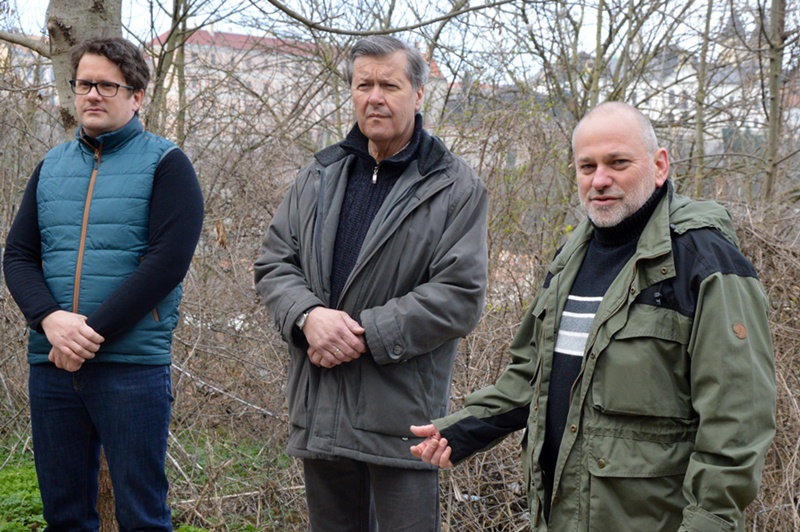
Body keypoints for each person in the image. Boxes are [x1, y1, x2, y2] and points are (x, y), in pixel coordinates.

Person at [411, 102, 776, 531]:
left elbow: (737, 422)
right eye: (587, 166)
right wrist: (461, 430)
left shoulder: (704, 262)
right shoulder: (570, 260)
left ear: (659, 166)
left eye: (618, 163)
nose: (600, 179)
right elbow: (531, 378)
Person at [254, 35, 488, 531]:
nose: (374, 97)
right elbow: (274, 262)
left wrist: (361, 334)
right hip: (320, 410)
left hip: (400, 421)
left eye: (389, 85)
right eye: (364, 85)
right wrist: (308, 318)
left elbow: (459, 294)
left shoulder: (455, 186)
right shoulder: (319, 175)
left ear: (418, 95)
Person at [3, 37, 204, 530]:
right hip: (52, 366)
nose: (92, 94)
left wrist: (86, 335)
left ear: (136, 96)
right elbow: (19, 255)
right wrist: (50, 320)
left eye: (106, 85)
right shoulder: (51, 167)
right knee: (64, 517)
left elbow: (165, 265)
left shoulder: (167, 164)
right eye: (83, 84)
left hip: (131, 369)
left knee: (143, 517)